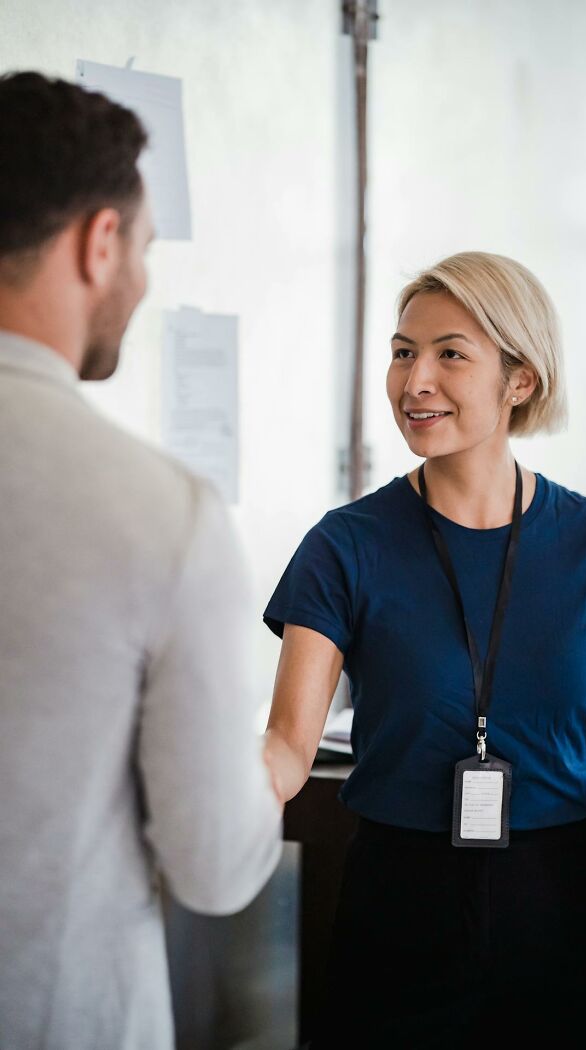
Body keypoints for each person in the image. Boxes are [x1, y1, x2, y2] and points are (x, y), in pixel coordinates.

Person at [262, 250, 586, 1049]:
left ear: (519, 380)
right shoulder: (343, 546)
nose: (414, 379)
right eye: (401, 351)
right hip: (399, 898)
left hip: (563, 896)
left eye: (450, 353)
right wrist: (210, 799)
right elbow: (288, 743)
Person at [0, 72, 281, 1050]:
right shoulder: (161, 515)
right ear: (100, 240)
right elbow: (213, 864)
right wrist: (268, 767)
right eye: (150, 248)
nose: (147, 281)